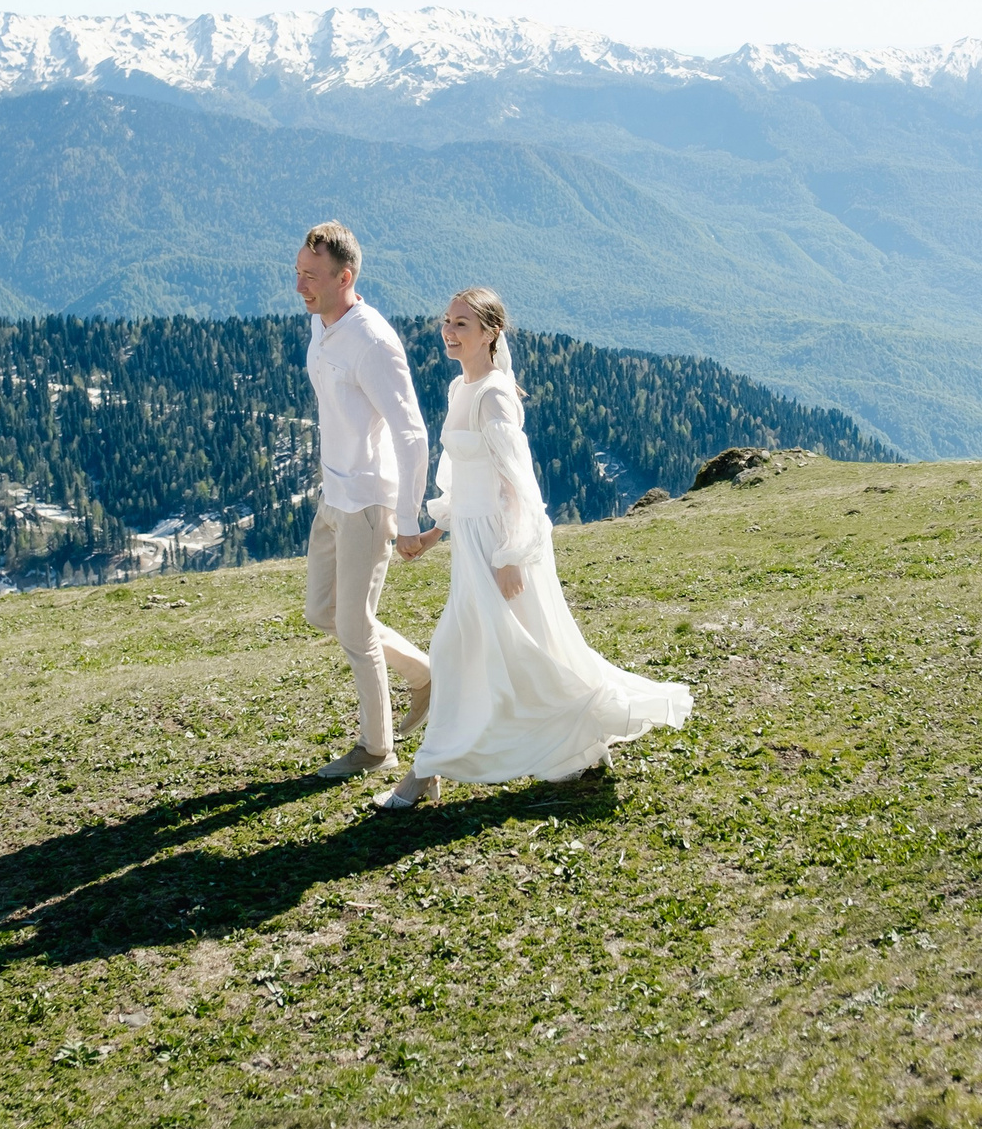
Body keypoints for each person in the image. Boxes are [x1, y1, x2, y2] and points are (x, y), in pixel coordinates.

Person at [375, 288, 690, 810]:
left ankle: (427, 771)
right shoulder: (460, 388)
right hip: (471, 541)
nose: (450, 333)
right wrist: (437, 530)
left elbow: (517, 483)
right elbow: (462, 478)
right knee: (507, 651)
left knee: (487, 650)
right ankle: (575, 742)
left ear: (491, 333)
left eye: (463, 325)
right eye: (447, 322)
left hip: (499, 544)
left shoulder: (495, 394)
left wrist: (513, 555)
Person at [294, 221, 433, 779]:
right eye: (298, 272)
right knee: (322, 612)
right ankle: (426, 674)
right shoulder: (324, 324)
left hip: (370, 505)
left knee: (355, 626)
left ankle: (377, 749)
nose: (299, 285)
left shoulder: (373, 341)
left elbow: (411, 432)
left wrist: (405, 519)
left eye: (310, 276)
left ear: (344, 277)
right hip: (335, 496)